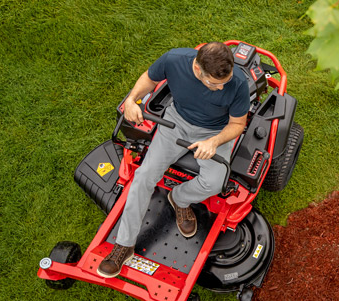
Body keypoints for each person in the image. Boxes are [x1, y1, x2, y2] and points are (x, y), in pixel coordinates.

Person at [97, 42, 250, 278]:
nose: (221, 88)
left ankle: (179, 198)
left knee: (214, 182)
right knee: (143, 176)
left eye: (224, 82)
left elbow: (238, 124)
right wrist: (131, 100)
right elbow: (148, 78)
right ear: (197, 69)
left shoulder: (237, 83)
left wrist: (214, 142)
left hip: (215, 132)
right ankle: (124, 245)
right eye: (214, 84)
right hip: (175, 123)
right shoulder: (173, 60)